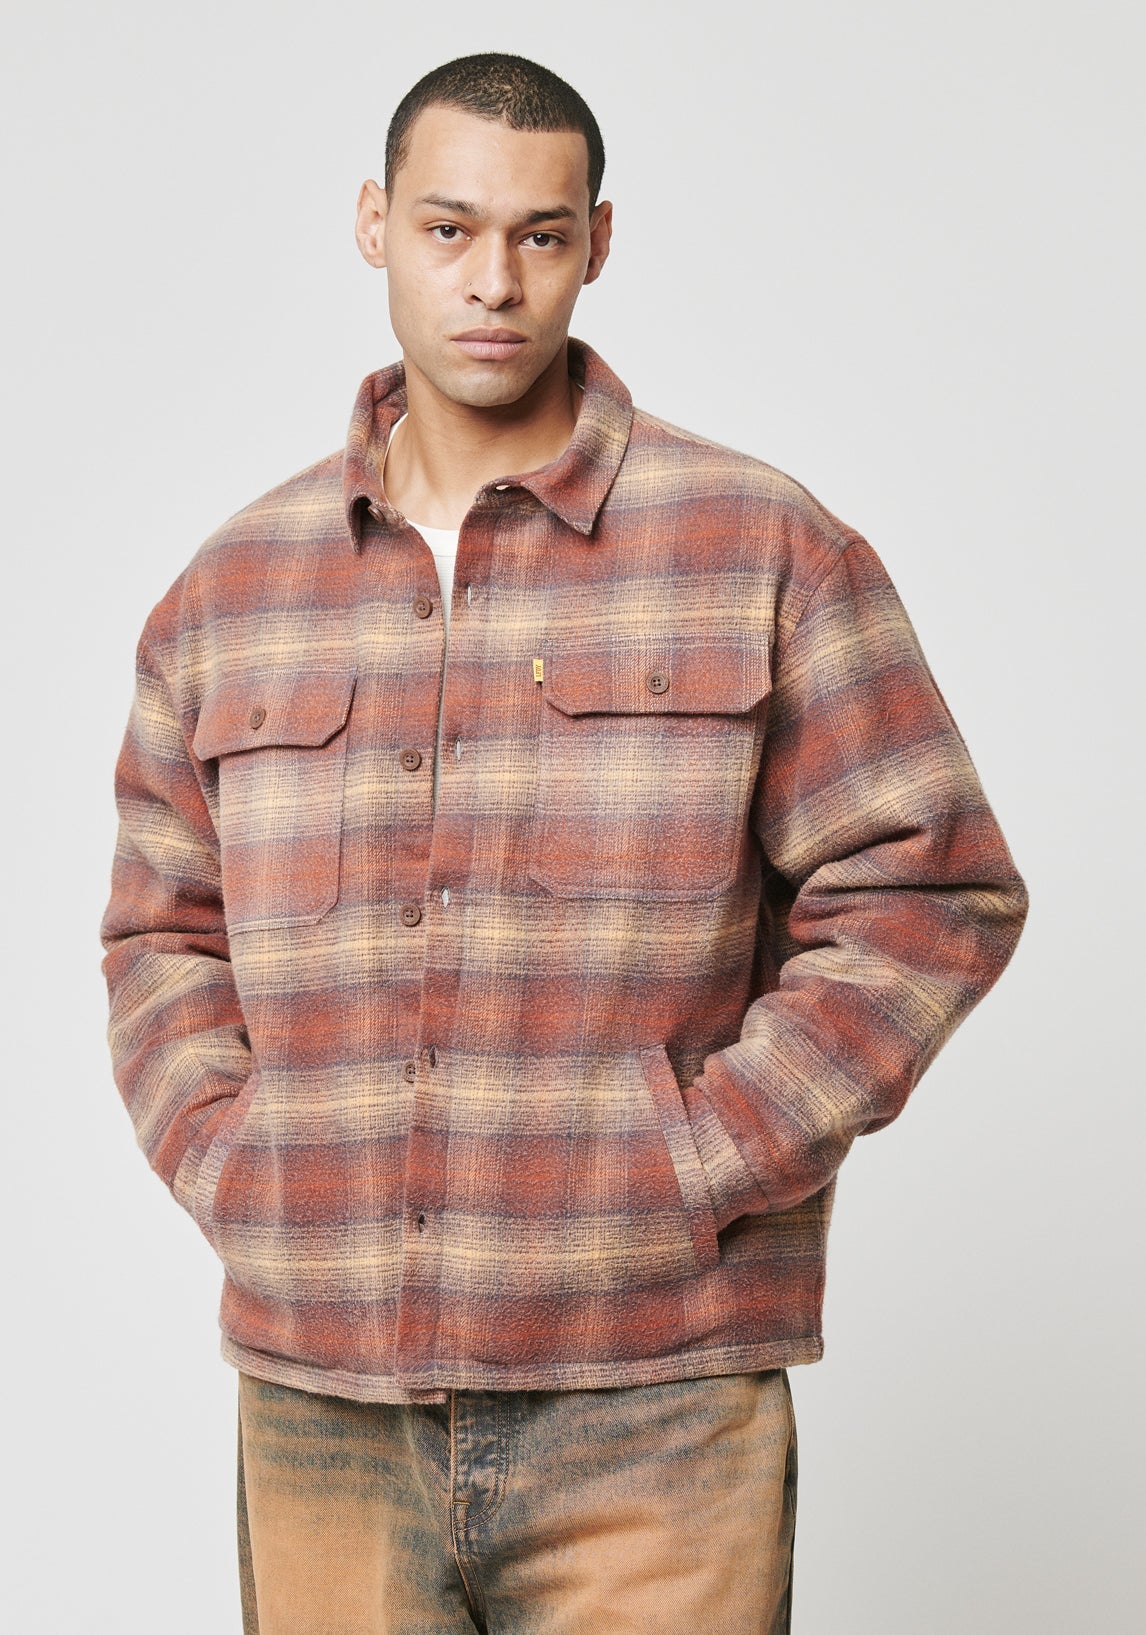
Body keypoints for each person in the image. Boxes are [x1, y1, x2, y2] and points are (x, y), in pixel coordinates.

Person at [100, 51, 1028, 1635]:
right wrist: (242, 1169)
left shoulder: (760, 546)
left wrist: (703, 1159)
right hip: (325, 1402)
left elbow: (930, 889)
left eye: (538, 236)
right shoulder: (231, 589)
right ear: (374, 224)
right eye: (448, 230)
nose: (493, 282)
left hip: (654, 1394)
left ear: (597, 242)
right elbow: (159, 932)